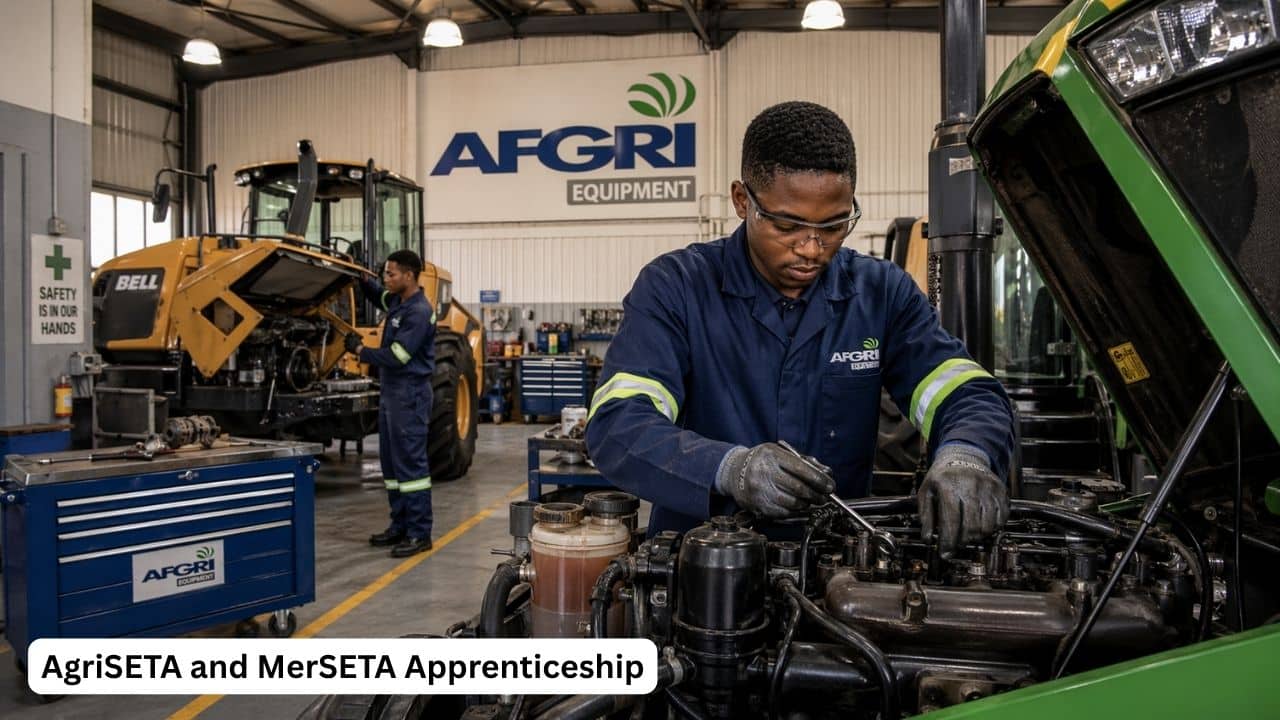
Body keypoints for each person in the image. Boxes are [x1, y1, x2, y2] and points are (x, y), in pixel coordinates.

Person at [584, 101, 1016, 556]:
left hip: (841, 565)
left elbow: (965, 391)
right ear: (741, 200)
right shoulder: (677, 288)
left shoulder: (881, 294)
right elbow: (620, 424)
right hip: (700, 565)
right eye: (788, 226)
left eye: (834, 226)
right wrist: (730, 469)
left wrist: (966, 453)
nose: (812, 248)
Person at [344, 249, 437, 558]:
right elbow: (379, 297)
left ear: (409, 276)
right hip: (391, 394)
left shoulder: (419, 312)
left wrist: (360, 351)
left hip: (409, 395)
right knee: (392, 466)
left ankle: (419, 533)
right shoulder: (399, 301)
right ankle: (400, 526)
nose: (386, 279)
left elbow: (398, 356)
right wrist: (361, 279)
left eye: (391, 274)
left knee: (411, 466)